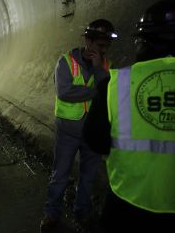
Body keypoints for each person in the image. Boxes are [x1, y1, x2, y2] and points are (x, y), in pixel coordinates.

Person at [83, 0, 175, 231]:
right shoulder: (78, 65)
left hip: (129, 202)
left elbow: (95, 139)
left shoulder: (118, 81)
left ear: (143, 41)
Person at [41, 19, 118, 231]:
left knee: (88, 176)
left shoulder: (104, 64)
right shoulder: (65, 62)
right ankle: (51, 213)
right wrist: (95, 91)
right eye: (100, 45)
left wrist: (97, 70)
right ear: (87, 40)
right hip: (68, 129)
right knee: (61, 173)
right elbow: (65, 92)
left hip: (93, 131)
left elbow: (109, 91)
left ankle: (82, 212)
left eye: (106, 46)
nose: (103, 50)